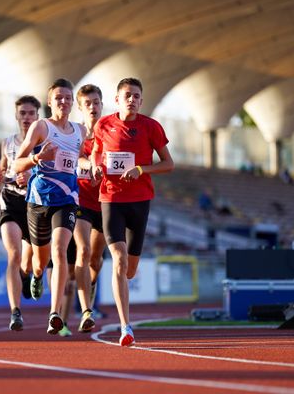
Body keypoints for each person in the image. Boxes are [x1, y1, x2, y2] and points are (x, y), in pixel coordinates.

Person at [91, 77, 174, 346]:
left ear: (141, 100)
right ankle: (126, 327)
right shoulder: (103, 124)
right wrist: (94, 165)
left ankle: (125, 284)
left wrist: (142, 169)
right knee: (119, 259)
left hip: (140, 201)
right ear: (117, 99)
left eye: (136, 96)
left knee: (130, 269)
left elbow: (168, 164)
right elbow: (95, 152)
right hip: (111, 199)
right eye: (127, 95)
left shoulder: (151, 127)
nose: (132, 100)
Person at [13, 78, 86, 335]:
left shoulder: (80, 131)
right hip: (38, 200)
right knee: (40, 261)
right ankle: (35, 275)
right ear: (50, 102)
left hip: (66, 200)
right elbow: (16, 164)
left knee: (60, 250)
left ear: (72, 102)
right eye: (58, 98)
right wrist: (37, 158)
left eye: (67, 98)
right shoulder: (40, 127)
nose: (63, 102)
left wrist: (92, 168)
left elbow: (82, 160)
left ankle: (54, 313)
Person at [0, 95, 41, 331]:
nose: (26, 118)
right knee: (13, 254)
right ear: (16, 116)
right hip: (10, 200)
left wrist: (31, 176)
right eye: (22, 113)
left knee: (30, 262)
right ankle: (15, 312)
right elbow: (3, 169)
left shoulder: (44, 143)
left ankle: (26, 275)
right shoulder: (7, 143)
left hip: (35, 203)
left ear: (37, 116)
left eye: (31, 113)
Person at [72, 84, 107, 333]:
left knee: (95, 259)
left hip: (106, 202)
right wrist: (90, 163)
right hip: (81, 200)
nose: (92, 107)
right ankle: (86, 311)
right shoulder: (75, 133)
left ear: (102, 104)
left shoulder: (111, 132)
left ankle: (91, 285)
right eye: (87, 103)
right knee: (82, 251)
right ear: (80, 107)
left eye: (96, 102)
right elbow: (74, 159)